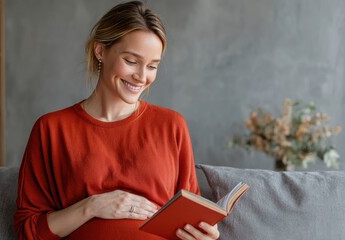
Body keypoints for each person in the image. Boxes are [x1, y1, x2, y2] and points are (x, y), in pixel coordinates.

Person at [14, 1, 220, 239]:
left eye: (152, 66)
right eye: (131, 61)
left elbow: (189, 219)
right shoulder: (51, 129)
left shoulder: (172, 126)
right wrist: (92, 206)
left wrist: (204, 235)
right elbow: (28, 231)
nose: (142, 77)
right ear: (100, 51)